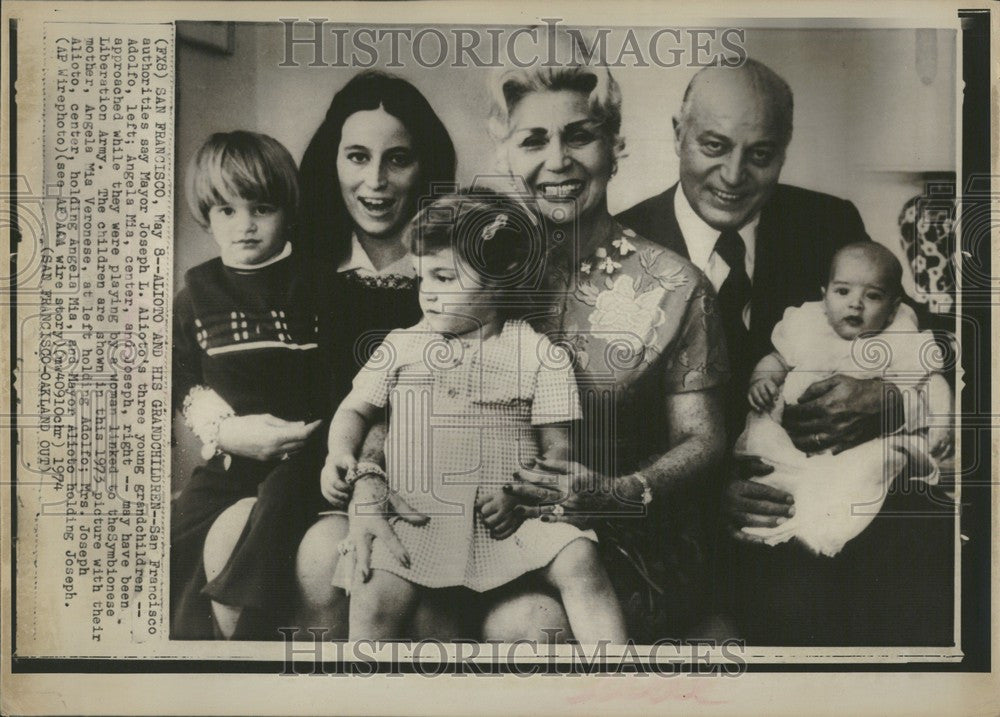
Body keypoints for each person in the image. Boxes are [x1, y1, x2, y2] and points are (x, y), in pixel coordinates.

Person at [617, 59, 954, 644]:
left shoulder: (826, 222)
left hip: (833, 489)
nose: (733, 175)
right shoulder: (623, 248)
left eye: (761, 154)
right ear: (678, 133)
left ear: (786, 149)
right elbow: (609, 424)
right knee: (796, 603)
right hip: (694, 528)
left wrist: (892, 398)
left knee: (930, 544)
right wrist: (704, 488)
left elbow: (924, 338)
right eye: (714, 146)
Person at [325, 192, 627, 642]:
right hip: (418, 516)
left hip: (506, 519)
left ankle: (619, 678)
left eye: (444, 277)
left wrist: (523, 492)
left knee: (580, 557)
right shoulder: (402, 345)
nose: (427, 292)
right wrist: (339, 452)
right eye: (422, 277)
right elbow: (354, 409)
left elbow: (558, 447)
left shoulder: (538, 353)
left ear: (501, 278)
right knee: (372, 588)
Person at [292, 71, 458, 633]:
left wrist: (375, 477)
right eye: (358, 157)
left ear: (425, 167)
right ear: (332, 162)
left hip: (431, 476)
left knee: (426, 612)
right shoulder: (306, 268)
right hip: (317, 477)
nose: (376, 182)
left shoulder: (454, 275)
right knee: (323, 564)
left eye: (398, 160)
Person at [170, 131, 328, 639]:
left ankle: (246, 624)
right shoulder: (196, 292)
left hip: (304, 455)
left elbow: (341, 379)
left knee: (275, 510)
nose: (244, 226)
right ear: (207, 215)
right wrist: (226, 431)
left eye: (260, 208)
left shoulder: (318, 284)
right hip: (232, 456)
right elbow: (182, 379)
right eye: (226, 211)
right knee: (175, 535)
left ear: (287, 211)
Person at [738, 242, 951, 556]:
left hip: (859, 446)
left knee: (861, 476)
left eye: (873, 296)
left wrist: (942, 424)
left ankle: (823, 530)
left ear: (893, 307)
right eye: (843, 292)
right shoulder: (804, 324)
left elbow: (934, 383)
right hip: (792, 436)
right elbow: (776, 358)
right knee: (771, 463)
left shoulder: (900, 338)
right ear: (824, 295)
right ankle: (786, 522)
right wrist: (762, 379)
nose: (856, 305)